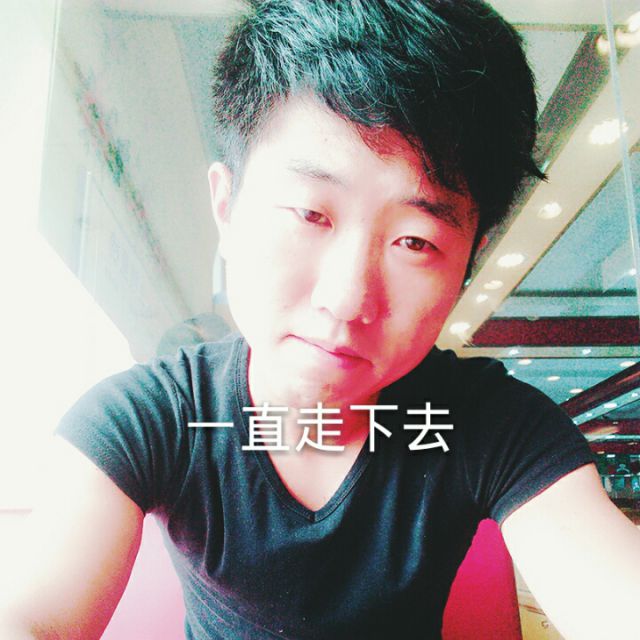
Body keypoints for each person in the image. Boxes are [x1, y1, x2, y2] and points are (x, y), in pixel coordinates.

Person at [2, 1, 640, 638]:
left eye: (416, 241)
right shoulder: (156, 416)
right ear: (226, 206)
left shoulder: (487, 425)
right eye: (311, 214)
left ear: (468, 261)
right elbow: (32, 613)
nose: (347, 299)